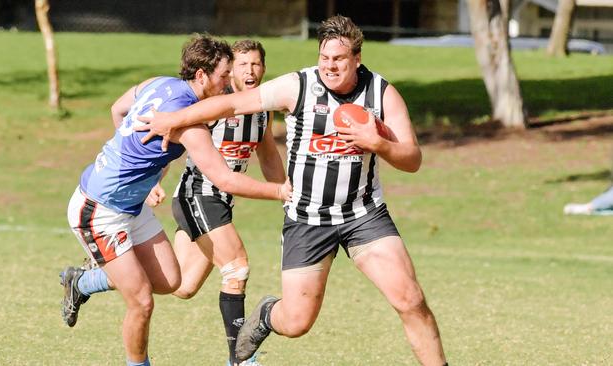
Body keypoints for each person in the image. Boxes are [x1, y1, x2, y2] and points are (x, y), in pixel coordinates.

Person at [136, 15, 448, 366]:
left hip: (363, 215)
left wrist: (378, 143)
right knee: (297, 323)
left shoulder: (381, 93)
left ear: (357, 59)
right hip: (307, 220)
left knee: (410, 300)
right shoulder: (298, 86)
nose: (330, 66)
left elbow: (412, 159)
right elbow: (232, 104)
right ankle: (268, 314)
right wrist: (173, 119)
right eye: (324, 57)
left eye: (339, 59)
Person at [59, 34, 291, 366]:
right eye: (225, 75)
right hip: (98, 210)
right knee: (142, 301)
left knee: (173, 282)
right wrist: (283, 191)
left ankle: (82, 280)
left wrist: (140, 166)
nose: (229, 83)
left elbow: (120, 109)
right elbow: (224, 178)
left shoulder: (160, 84)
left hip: (131, 208)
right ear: (202, 76)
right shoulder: (191, 126)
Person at [154, 39, 284, 366]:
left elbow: (267, 156)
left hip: (220, 202)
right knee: (237, 267)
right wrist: (153, 183)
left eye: (256, 64)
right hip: (198, 194)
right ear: (230, 72)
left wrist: (287, 194)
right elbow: (174, 139)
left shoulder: (262, 110)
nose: (250, 70)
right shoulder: (213, 104)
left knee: (181, 285)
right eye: (242, 65)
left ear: (263, 69)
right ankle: (241, 359)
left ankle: (88, 279)